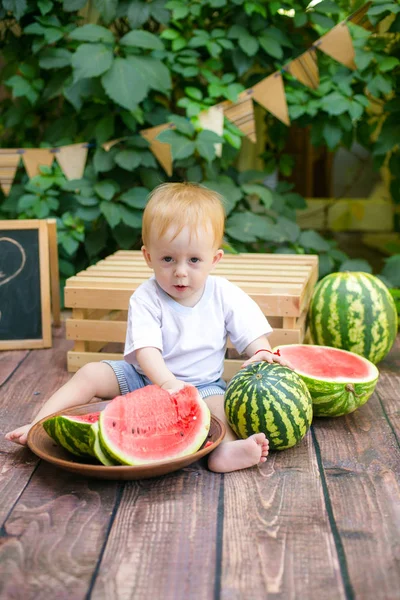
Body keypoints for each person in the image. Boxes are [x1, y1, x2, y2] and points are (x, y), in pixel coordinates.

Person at [6, 182, 290, 473]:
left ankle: (225, 452)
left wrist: (261, 352)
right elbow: (146, 350)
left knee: (220, 409)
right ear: (148, 257)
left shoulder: (224, 293)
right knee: (90, 373)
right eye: (168, 259)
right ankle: (38, 424)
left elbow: (250, 328)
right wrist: (167, 383)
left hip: (203, 385)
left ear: (214, 260)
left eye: (194, 260)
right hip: (142, 377)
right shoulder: (146, 297)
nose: (180, 271)